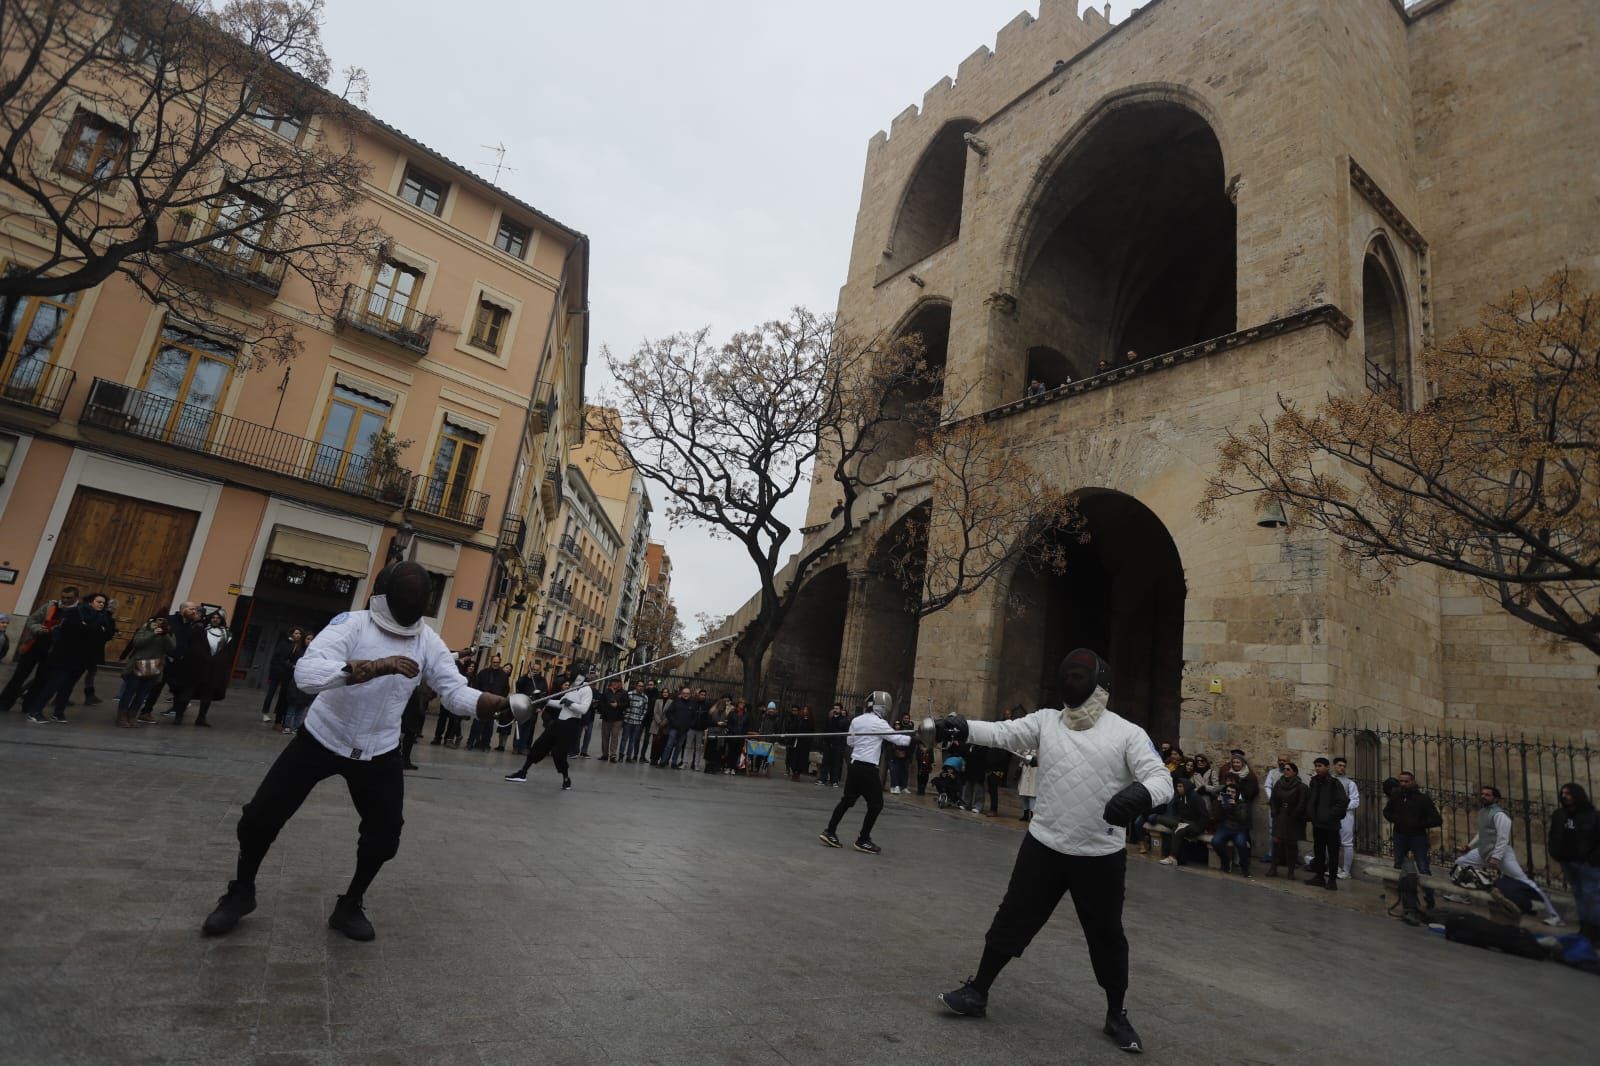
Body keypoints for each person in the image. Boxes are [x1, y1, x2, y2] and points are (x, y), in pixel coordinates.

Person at [200, 562, 506, 941]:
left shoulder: (428, 641)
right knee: (259, 818)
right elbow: (307, 674)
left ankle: (350, 905)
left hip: (379, 749)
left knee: (385, 835)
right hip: (322, 737)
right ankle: (241, 892)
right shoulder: (352, 623)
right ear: (385, 593)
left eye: (418, 594)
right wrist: (371, 667)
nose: (411, 599)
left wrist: (489, 702)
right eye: (405, 592)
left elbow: (454, 690)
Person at [933, 649, 1171, 1053]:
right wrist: (960, 726)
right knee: (1012, 917)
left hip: (1099, 855)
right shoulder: (1046, 721)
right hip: (1044, 844)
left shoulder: (1127, 733)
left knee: (1107, 936)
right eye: (1068, 673)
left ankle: (1117, 1013)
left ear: (1099, 686)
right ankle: (978, 992)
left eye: (1081, 675)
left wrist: (1137, 796)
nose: (1071, 681)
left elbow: (1160, 777)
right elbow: (1004, 733)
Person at [1456, 785, 1561, 925]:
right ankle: (1465, 896)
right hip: (1484, 850)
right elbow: (1482, 833)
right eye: (1482, 794)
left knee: (1524, 881)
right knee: (1461, 862)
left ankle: (1553, 915)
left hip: (1502, 854)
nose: (1483, 796)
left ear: (1495, 798)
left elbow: (1503, 838)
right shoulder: (1483, 812)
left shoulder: (1500, 815)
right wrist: (1469, 846)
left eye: (1487, 795)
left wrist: (1497, 856)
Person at [819, 690, 908, 854]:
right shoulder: (879, 723)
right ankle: (863, 839)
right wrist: (916, 737)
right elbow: (899, 739)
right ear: (882, 707)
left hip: (854, 766)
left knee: (847, 801)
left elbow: (850, 742)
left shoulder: (857, 720)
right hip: (867, 768)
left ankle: (830, 831)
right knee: (876, 805)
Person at [23, 591, 115, 723]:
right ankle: (35, 711)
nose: (101, 605)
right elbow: (72, 629)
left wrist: (90, 628)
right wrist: (95, 629)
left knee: (68, 686)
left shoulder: (104, 617)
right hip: (65, 655)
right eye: (99, 602)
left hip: (83, 658)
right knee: (54, 684)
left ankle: (58, 713)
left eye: (103, 603)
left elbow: (107, 634)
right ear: (90, 602)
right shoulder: (76, 612)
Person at [505, 670, 593, 789]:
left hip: (571, 724)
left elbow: (583, 709)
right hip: (559, 722)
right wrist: (545, 700)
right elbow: (561, 704)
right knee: (539, 745)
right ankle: (523, 772)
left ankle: (566, 779)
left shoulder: (586, 690)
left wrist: (570, 703)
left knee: (559, 753)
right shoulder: (572, 687)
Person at [0, 585, 79, 713]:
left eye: (68, 598)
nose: (64, 600)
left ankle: (29, 705)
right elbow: (32, 620)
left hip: (54, 651)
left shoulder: (79, 612)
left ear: (76, 598)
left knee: (41, 680)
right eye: (63, 597)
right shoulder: (51, 606)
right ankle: (4, 703)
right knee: (19, 676)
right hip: (35, 645)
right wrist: (38, 628)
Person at [1548, 784, 1599, 947]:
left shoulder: (1592, 816)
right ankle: (1585, 929)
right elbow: (1554, 835)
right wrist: (1555, 853)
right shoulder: (1559, 815)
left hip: (1588, 864)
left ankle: (1595, 932)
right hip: (1568, 862)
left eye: (1568, 793)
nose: (1565, 796)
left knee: (1592, 897)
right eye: (1562, 793)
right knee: (1579, 896)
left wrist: (1592, 858)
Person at [115, 616, 175, 728]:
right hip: (138, 665)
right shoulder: (144, 630)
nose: (160, 622)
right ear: (153, 621)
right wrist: (153, 633)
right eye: (159, 620)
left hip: (154, 667)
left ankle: (132, 716)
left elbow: (171, 649)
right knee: (129, 692)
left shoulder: (168, 633)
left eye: (163, 621)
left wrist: (165, 634)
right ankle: (122, 716)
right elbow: (137, 643)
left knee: (142, 695)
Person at [1383, 770, 1443, 876]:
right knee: (1398, 864)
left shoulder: (1423, 799)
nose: (1403, 784)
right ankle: (1399, 891)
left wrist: (1418, 824)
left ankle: (1429, 893)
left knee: (1422, 866)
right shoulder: (1396, 797)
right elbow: (1387, 812)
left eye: (1406, 781)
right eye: (1401, 781)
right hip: (1400, 834)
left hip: (1418, 836)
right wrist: (1397, 820)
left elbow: (1437, 820)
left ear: (1412, 782)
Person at [1305, 758, 1348, 890]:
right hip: (1318, 824)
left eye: (1320, 766)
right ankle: (1319, 876)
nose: (1318, 768)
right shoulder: (1314, 782)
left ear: (1327, 767)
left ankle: (1332, 879)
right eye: (1316, 766)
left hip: (1331, 825)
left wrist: (1330, 815)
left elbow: (1342, 802)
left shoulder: (1334, 783)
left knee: (1333, 852)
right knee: (1319, 851)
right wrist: (1311, 814)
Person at [1154, 776, 1211, 867]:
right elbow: (1176, 810)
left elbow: (1204, 815)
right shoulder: (1179, 797)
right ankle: (1179, 825)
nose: (1178, 788)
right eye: (1177, 786)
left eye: (1180, 786)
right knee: (1159, 818)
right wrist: (1179, 821)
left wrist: (1198, 827)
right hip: (1182, 821)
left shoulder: (1195, 798)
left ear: (1186, 786)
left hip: (1195, 824)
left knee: (1177, 831)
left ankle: (1172, 858)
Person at [1266, 762, 1307, 879]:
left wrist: (1295, 814)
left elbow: (1302, 802)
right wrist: (1274, 811)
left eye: (1288, 769)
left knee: (1291, 845)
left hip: (1293, 818)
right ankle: (1273, 868)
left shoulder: (1301, 786)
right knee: (1277, 842)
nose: (1285, 771)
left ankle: (1291, 871)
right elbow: (1273, 799)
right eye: (1284, 769)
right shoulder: (1279, 784)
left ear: (1294, 772)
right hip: (1280, 816)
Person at [465, 654, 508, 751]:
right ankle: (471, 742)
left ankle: (485, 745)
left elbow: (505, 690)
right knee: (477, 724)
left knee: (489, 726)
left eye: (497, 662)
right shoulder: (483, 673)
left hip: (494, 704)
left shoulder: (504, 676)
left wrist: (500, 701)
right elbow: (477, 685)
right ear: (491, 662)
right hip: (482, 702)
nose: (495, 664)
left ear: (499, 663)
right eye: (494, 662)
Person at [1210, 782, 1254, 877]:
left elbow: (1243, 818)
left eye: (1233, 792)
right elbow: (1216, 817)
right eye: (1228, 791)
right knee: (1216, 842)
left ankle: (1244, 868)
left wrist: (1234, 806)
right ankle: (1225, 861)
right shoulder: (1222, 801)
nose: (1230, 794)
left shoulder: (1241, 803)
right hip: (1225, 827)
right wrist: (1218, 803)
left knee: (1241, 844)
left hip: (1239, 829)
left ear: (1237, 794)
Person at [262, 628, 303, 725]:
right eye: (296, 633)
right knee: (271, 692)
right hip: (278, 672)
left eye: (299, 633)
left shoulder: (298, 646)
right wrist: (290, 665)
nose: (298, 635)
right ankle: (265, 712)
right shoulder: (284, 643)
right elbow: (279, 658)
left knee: (282, 695)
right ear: (292, 634)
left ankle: (278, 713)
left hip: (287, 674)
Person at [1332, 757, 1360, 879]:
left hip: (1345, 816)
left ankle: (1346, 871)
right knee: (1332, 841)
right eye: (1339, 765)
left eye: (1343, 765)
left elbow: (1355, 801)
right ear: (1334, 766)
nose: (1341, 768)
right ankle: (1334, 867)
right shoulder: (1330, 781)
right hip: (1331, 816)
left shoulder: (1350, 783)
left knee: (1347, 843)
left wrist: (1341, 808)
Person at [657, 686, 697, 768]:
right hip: (674, 728)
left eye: (687, 693)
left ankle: (674, 763)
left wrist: (689, 725)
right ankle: (663, 761)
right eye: (684, 693)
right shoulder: (676, 702)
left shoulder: (692, 704)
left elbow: (694, 716)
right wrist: (673, 722)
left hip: (684, 729)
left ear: (690, 694)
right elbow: (669, 713)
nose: (686, 695)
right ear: (681, 694)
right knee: (669, 745)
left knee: (679, 747)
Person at [1262, 754, 1289, 865]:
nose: (1281, 762)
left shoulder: (1292, 772)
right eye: (1280, 760)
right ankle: (1270, 854)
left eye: (1284, 760)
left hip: (1287, 808)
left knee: (1287, 831)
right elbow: (1267, 786)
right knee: (1272, 829)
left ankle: (1285, 857)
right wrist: (1272, 799)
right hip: (1274, 806)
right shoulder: (1272, 773)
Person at [622, 679, 650, 763]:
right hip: (628, 721)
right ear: (636, 686)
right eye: (639, 686)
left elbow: (645, 709)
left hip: (637, 722)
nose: (640, 687)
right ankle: (621, 755)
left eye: (642, 686)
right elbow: (625, 706)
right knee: (624, 739)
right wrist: (626, 716)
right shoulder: (629, 694)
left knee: (632, 740)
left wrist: (640, 719)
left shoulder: (645, 697)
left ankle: (628, 757)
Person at [819, 703, 847, 786]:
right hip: (828, 744)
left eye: (837, 708)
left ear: (841, 710)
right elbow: (825, 730)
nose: (835, 710)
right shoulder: (829, 719)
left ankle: (834, 780)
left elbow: (843, 732)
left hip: (837, 745)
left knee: (835, 763)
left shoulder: (844, 720)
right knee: (825, 762)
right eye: (834, 708)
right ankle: (823, 779)